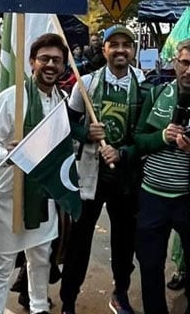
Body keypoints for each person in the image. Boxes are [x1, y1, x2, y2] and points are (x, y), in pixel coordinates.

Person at [60, 25, 150, 314]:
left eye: (126, 44)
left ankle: (120, 293)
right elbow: (67, 125)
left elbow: (148, 133)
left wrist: (124, 154)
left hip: (127, 178)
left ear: (133, 50)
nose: (121, 49)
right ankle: (68, 300)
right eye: (115, 44)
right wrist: (86, 132)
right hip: (91, 178)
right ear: (105, 50)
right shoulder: (85, 85)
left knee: (125, 242)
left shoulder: (145, 85)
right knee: (79, 242)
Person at [0, 33, 69, 314]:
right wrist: (10, 153)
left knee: (41, 256)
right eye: (45, 59)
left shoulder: (61, 100)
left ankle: (39, 307)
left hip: (43, 195)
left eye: (57, 60)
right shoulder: (12, 99)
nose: (51, 64)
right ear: (32, 62)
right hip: (9, 195)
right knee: (1, 267)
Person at [135, 38, 190, 314]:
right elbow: (138, 139)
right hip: (152, 196)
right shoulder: (156, 92)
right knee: (150, 264)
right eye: (184, 62)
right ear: (174, 62)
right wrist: (162, 137)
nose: (189, 70)